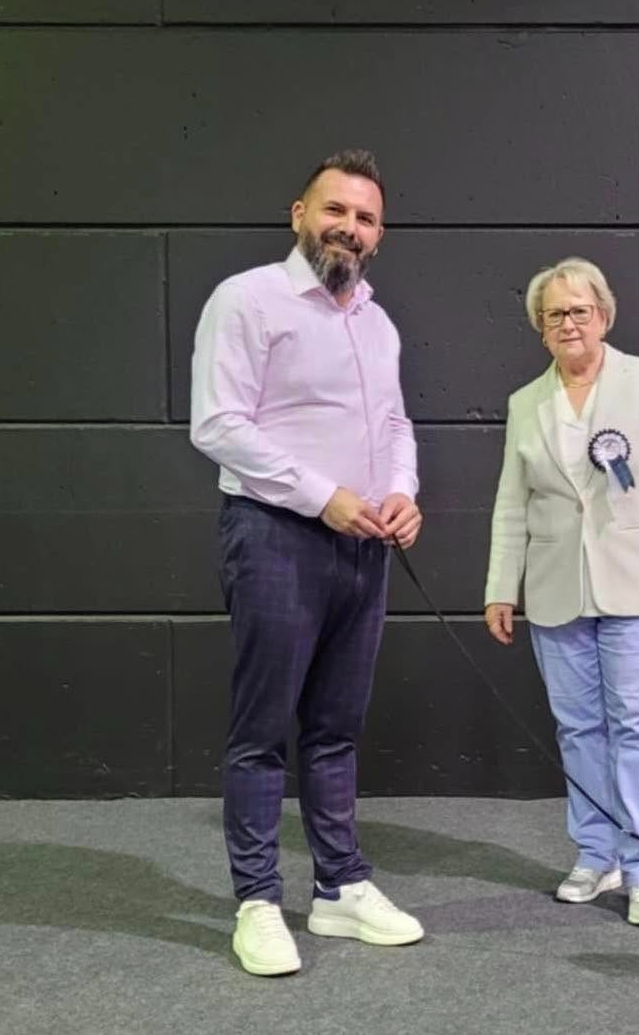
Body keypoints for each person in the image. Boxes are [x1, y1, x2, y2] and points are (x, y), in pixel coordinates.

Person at [190, 149, 424, 976]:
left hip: (364, 544)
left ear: (378, 234)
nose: (347, 228)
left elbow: (394, 425)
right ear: (299, 215)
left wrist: (401, 492)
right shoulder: (247, 299)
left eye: (364, 218)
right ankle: (257, 901)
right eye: (334, 210)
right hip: (274, 538)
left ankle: (339, 888)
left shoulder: (378, 324)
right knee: (260, 735)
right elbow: (218, 424)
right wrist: (322, 495)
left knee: (335, 730)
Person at [484, 257, 639, 926]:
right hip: (554, 590)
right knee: (578, 728)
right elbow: (511, 503)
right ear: (539, 327)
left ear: (604, 316)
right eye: (554, 314)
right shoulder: (524, 403)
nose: (568, 323)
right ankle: (595, 853)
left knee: (638, 724)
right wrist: (501, 586)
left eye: (579, 311)